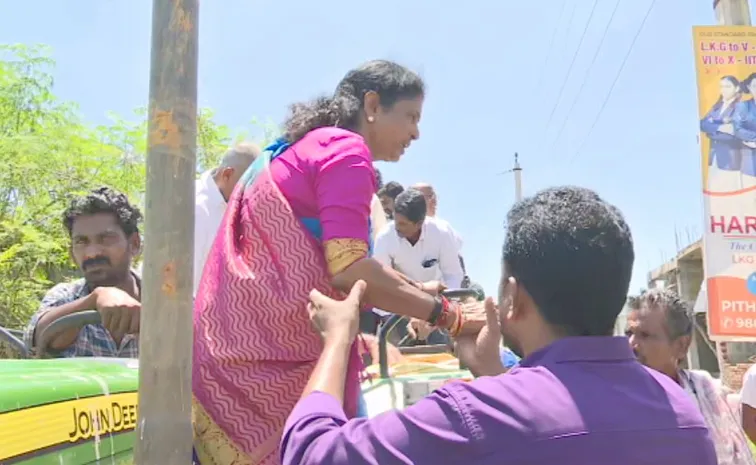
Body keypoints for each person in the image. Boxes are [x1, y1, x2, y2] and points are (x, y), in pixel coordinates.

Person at [280, 186, 717, 465]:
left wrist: (337, 339)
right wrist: (494, 376)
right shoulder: (684, 416)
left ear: (513, 296)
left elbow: (312, 455)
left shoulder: (474, 414)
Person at [191, 60, 486, 465]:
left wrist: (419, 291)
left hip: (228, 356)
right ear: (372, 104)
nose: (416, 132)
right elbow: (348, 270)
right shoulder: (344, 150)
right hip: (266, 373)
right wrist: (450, 316)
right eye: (411, 117)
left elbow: (347, 261)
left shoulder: (306, 147)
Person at [626, 288, 754, 465]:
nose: (631, 344)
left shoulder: (707, 392)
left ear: (681, 345)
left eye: (645, 335)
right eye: (629, 333)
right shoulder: (619, 400)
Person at [23, 187, 142, 358]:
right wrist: (95, 299)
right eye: (81, 241)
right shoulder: (65, 295)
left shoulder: (169, 301)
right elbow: (37, 339)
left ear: (134, 244)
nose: (92, 252)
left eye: (106, 238)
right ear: (71, 253)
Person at [193, 142, 259, 294]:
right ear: (227, 175)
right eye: (248, 186)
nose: (250, 194)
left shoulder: (233, 206)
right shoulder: (196, 207)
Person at [700, 75, 744, 192]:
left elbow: (733, 134)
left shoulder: (741, 108)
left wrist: (712, 128)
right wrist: (720, 127)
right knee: (714, 198)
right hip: (714, 158)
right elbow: (702, 124)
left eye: (728, 86)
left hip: (730, 160)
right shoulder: (717, 106)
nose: (723, 89)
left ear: (736, 88)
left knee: (731, 197)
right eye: (722, 86)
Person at [732, 72, 756, 182]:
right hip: (750, 160)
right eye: (755, 86)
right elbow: (738, 129)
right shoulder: (743, 106)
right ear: (749, 87)